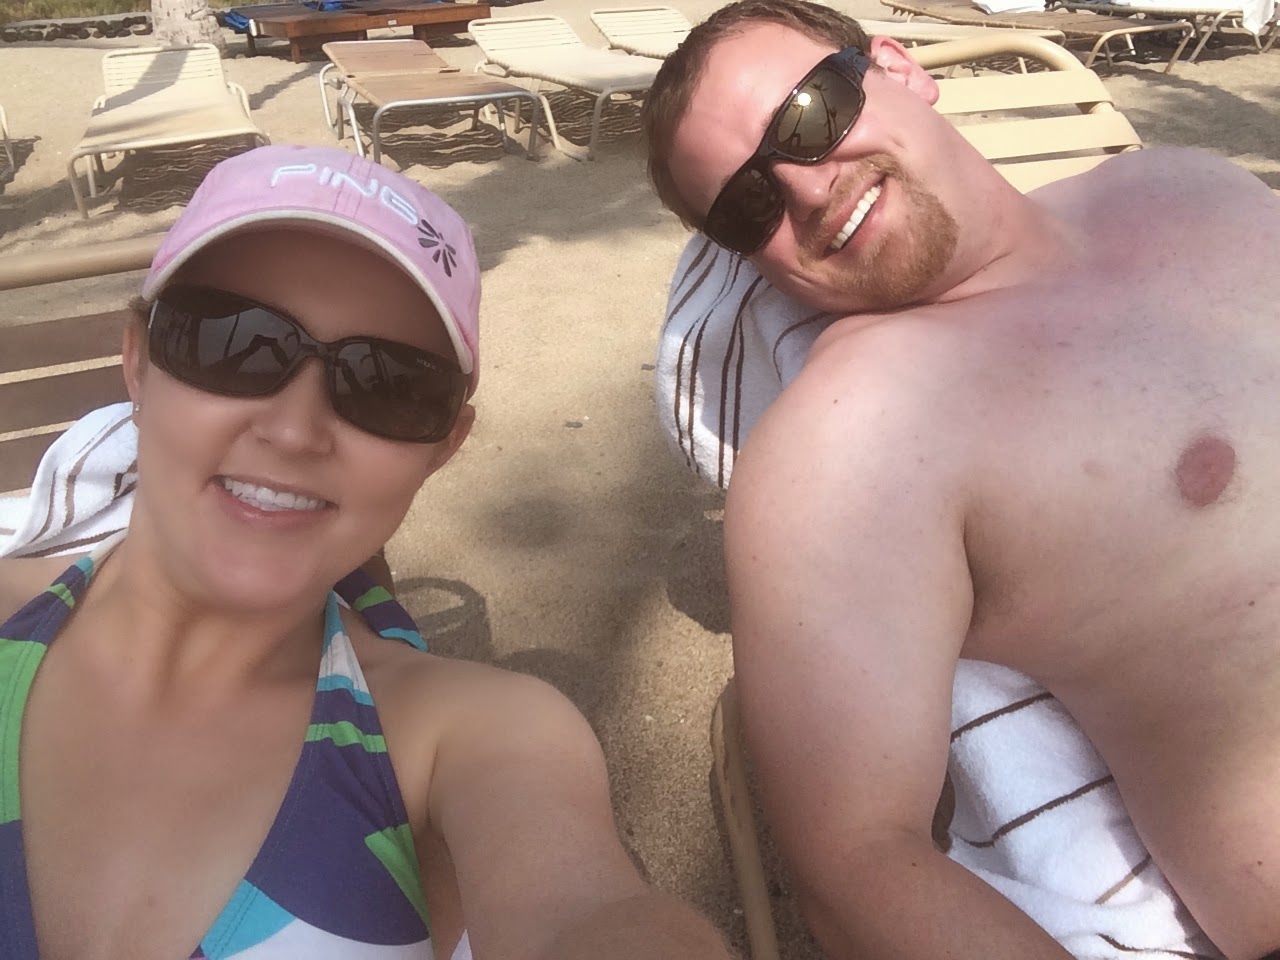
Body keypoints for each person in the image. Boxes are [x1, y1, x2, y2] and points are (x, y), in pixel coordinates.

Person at [642, 2, 1280, 958]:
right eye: (746, 207)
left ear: (898, 70)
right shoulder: (851, 437)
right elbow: (856, 870)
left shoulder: (1189, 185)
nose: (806, 190)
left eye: (809, 117)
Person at [0, 144, 735, 960]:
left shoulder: (473, 735)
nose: (294, 430)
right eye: (232, 340)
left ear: (444, 446)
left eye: (388, 383)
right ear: (138, 363)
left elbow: (581, 911)